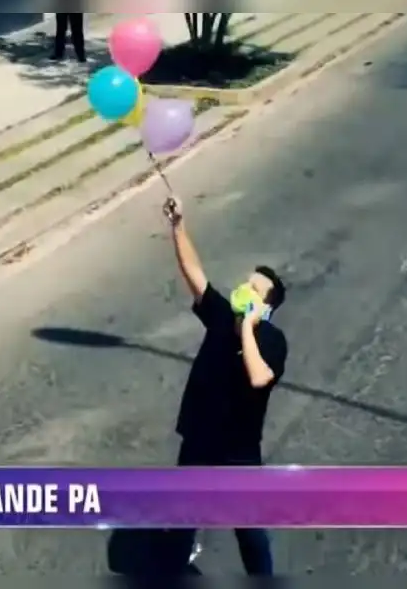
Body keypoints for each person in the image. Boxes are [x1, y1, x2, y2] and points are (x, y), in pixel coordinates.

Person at [162, 194, 288, 576]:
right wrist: (178, 225)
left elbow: (259, 377)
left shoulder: (271, 339)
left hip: (237, 454)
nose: (244, 289)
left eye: (254, 289)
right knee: (182, 517)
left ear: (265, 307)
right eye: (246, 283)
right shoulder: (219, 315)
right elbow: (193, 272)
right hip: (199, 440)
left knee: (248, 532)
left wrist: (247, 327)